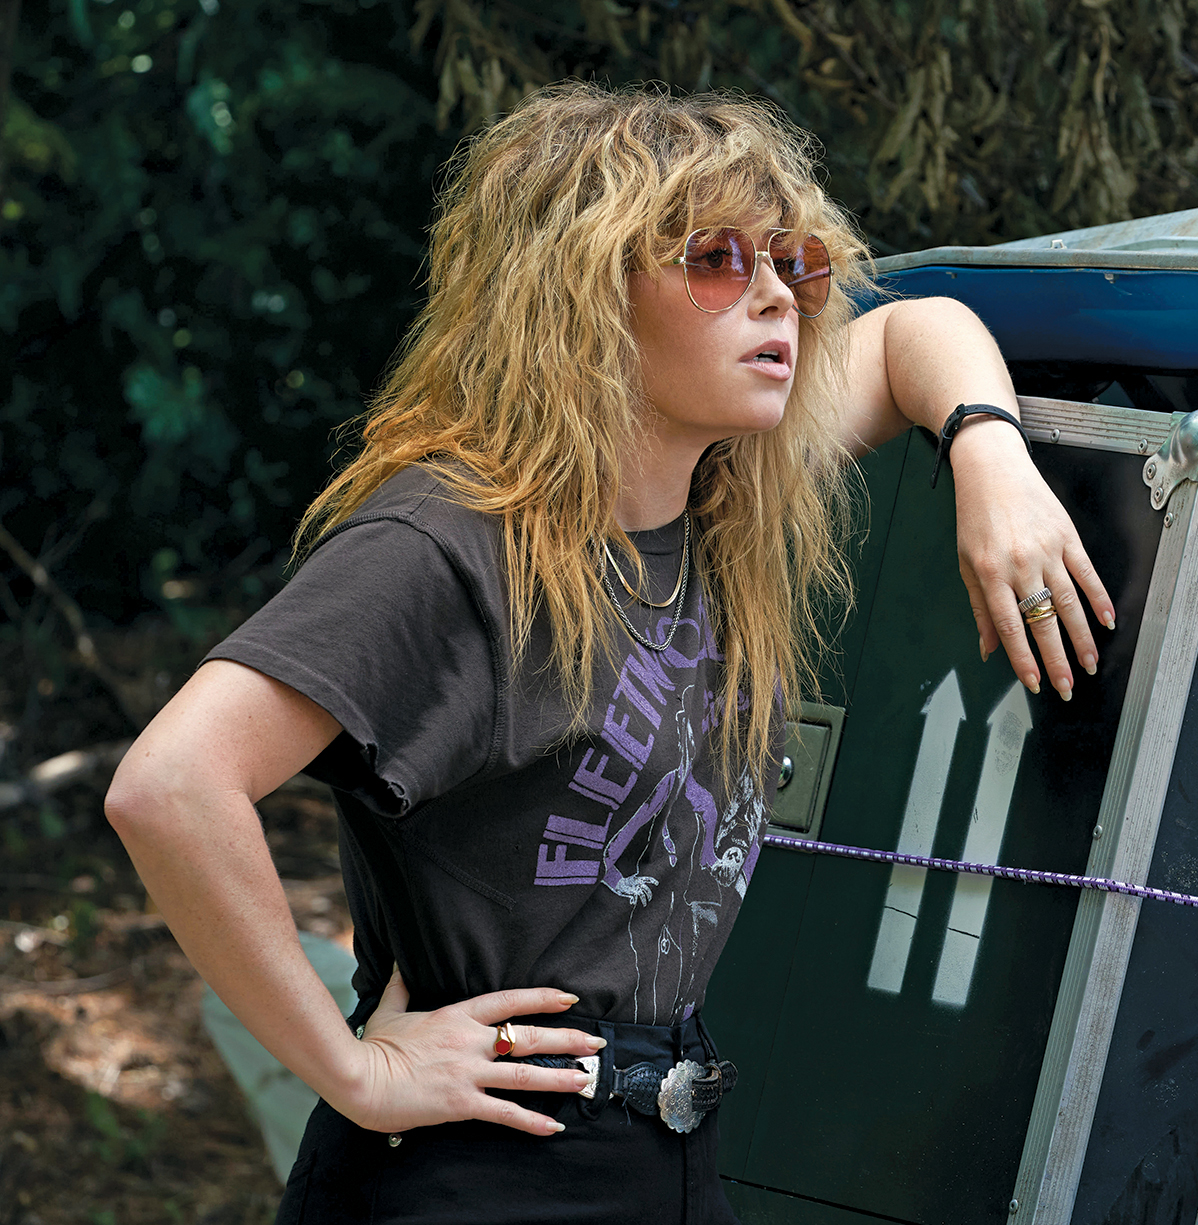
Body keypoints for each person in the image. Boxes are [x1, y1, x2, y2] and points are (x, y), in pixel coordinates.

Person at [104, 83, 1113, 1223]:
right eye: (720, 257)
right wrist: (357, 1073)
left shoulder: (721, 502)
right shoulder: (451, 540)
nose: (778, 293)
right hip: (478, 1168)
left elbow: (913, 333)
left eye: (793, 263)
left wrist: (990, 454)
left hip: (659, 1149)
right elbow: (173, 785)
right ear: (583, 289)